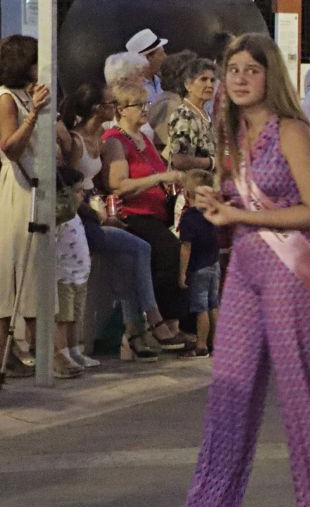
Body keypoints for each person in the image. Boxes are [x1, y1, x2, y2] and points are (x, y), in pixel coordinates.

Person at [153, 33, 310, 507]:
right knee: (229, 391)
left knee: (301, 391)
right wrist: (219, 201)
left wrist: (242, 214)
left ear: (270, 76)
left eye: (250, 70)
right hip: (245, 269)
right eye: (232, 69)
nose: (239, 78)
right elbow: (238, 205)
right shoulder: (230, 133)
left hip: (291, 269)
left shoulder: (293, 131)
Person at [61, 81, 184, 360]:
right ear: (97, 109)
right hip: (84, 216)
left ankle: (137, 330)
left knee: (132, 254)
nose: (114, 108)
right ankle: (152, 321)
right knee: (143, 248)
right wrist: (99, 213)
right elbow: (77, 185)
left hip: (99, 213)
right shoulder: (87, 141)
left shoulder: (103, 141)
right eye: (110, 104)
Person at [102, 80, 190, 342]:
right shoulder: (115, 141)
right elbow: (117, 185)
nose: (144, 109)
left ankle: (180, 322)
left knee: (185, 245)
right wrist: (156, 180)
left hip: (156, 211)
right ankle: (162, 323)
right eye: (138, 104)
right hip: (133, 213)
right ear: (122, 110)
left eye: (145, 103)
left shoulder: (144, 138)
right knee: (167, 250)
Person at [0, 36, 51, 377]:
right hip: (16, 187)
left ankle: (32, 348)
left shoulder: (24, 94)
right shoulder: (6, 98)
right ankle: (9, 349)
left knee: (34, 269)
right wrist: (33, 114)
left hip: (35, 185)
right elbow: (10, 148)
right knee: (12, 271)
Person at [53, 166, 91, 378]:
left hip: (79, 275)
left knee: (76, 316)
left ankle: (76, 351)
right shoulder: (61, 216)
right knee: (64, 318)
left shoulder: (77, 216)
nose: (82, 195)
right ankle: (62, 354)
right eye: (77, 191)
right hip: (63, 275)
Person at [178, 169, 221, 358]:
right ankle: (217, 343)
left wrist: (182, 273)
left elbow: (186, 247)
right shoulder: (214, 214)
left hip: (198, 267)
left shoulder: (189, 217)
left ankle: (201, 344)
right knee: (214, 305)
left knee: (200, 308)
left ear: (188, 194)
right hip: (214, 263)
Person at [167, 58, 219, 172]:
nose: (209, 84)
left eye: (212, 80)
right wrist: (213, 162)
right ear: (188, 85)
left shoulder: (205, 113)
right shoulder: (184, 114)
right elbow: (179, 160)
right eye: (203, 79)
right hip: (192, 185)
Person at [125, 28, 169, 102]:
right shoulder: (133, 90)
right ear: (148, 58)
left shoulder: (162, 81)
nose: (165, 57)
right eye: (161, 54)